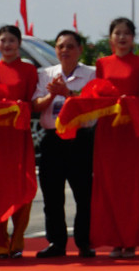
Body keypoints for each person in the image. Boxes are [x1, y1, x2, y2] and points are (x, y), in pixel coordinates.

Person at [94, 17, 139, 258]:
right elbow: (97, 94)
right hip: (108, 130)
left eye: (126, 34)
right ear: (110, 38)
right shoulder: (102, 63)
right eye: (117, 33)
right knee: (109, 185)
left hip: (133, 129)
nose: (122, 38)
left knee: (132, 186)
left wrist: (123, 101)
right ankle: (114, 240)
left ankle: (130, 239)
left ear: (133, 38)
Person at [0, 25, 38, 258]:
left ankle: (18, 240)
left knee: (22, 186)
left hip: (18, 134)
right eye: (3, 40)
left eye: (12, 40)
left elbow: (33, 104)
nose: (7, 44)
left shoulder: (29, 70)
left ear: (19, 43)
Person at [33, 29, 96, 258]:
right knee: (52, 195)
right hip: (53, 139)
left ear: (80, 50)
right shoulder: (45, 74)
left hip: (80, 138)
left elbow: (90, 105)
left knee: (84, 194)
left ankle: (84, 242)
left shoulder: (91, 74)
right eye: (61, 46)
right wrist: (52, 95)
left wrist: (67, 93)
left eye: (70, 46)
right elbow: (36, 105)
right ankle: (56, 243)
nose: (65, 50)